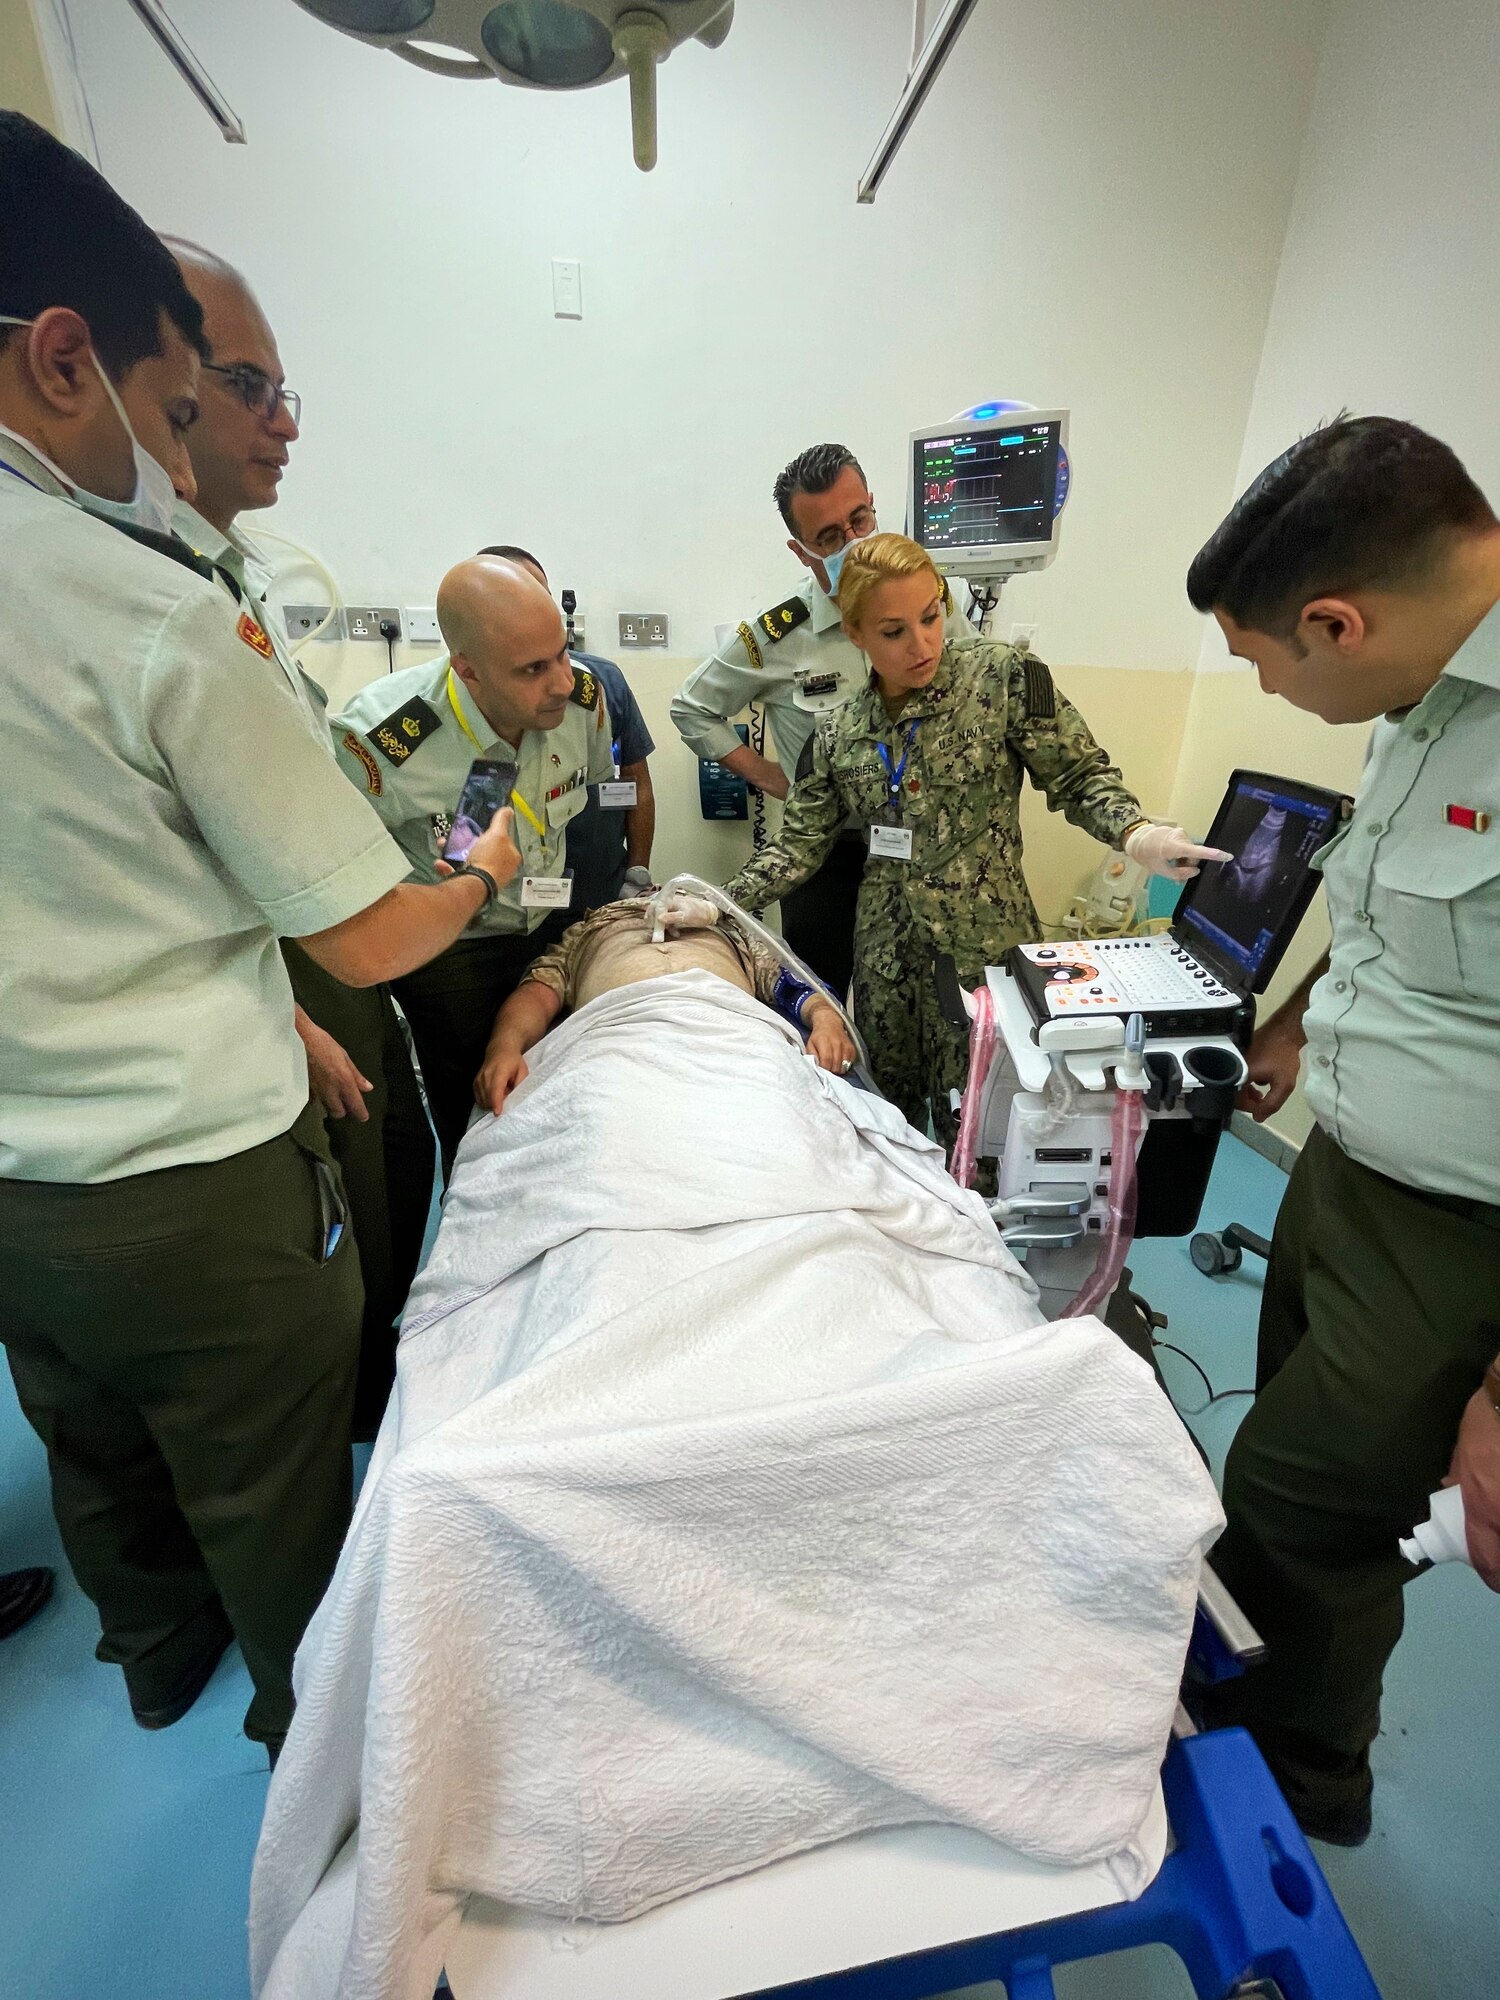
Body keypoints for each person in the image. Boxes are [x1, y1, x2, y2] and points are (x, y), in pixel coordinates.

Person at [0, 113, 520, 1759]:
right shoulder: (153, 607)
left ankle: (154, 1653)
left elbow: (86, 882)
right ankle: (324, 1761)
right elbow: (369, 936)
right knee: (269, 1465)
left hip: (25, 1180)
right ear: (68, 363)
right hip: (188, 1178)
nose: (234, 431)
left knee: (90, 1437)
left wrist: (259, 996)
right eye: (193, 400)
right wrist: (485, 881)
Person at [1184, 416, 1500, 1845]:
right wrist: (1299, 1025)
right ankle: (1263, 1701)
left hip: (1457, 1232)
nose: (1270, 688)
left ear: (1335, 620)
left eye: (1266, 664)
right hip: (1340, 1174)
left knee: (1301, 1504)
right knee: (1302, 1482)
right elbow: (1379, 919)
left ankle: (1309, 1785)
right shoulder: (1426, 695)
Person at [166, 236, 435, 1438]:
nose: (282, 423)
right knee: (345, 1238)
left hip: (315, 972)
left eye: (285, 392)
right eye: (245, 386)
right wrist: (479, 880)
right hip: (289, 990)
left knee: (399, 1174)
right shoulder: (155, 608)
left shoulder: (232, 585)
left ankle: (387, 1391)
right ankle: (373, 1437)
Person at [725, 533, 1223, 1156]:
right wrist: (718, 902)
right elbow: (798, 845)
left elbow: (1076, 774)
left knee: (992, 1130)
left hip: (985, 952)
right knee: (890, 1134)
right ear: (855, 634)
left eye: (931, 616)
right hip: (887, 964)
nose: (923, 644)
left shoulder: (1002, 681)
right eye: (894, 631)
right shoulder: (840, 732)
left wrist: (1135, 832)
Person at [333, 554, 615, 1176]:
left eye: (563, 654)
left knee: (565, 1096)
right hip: (452, 950)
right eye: (533, 670)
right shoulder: (383, 740)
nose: (562, 682)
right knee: (483, 1116)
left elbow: (589, 797)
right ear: (469, 670)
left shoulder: (584, 702)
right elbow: (332, 870)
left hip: (548, 926)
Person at [670, 443, 976, 996]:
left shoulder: (926, 598)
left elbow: (971, 687)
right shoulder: (781, 633)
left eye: (860, 520)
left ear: (875, 508)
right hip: (823, 854)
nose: (853, 542)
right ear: (800, 550)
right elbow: (691, 708)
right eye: (830, 537)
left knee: (931, 1002)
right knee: (817, 1002)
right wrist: (771, 778)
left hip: (923, 840)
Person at [475, 888, 859, 1114]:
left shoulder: (728, 928)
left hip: (728, 1030)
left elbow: (791, 980)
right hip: (622, 1034)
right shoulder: (590, 930)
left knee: (772, 1109)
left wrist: (827, 1020)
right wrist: (503, 1048)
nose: (659, 895)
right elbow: (537, 994)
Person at [480, 544, 657, 912]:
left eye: (539, 600)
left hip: (597, 887)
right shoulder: (465, 700)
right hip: (504, 907)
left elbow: (636, 778)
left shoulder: (598, 684)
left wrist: (636, 872)